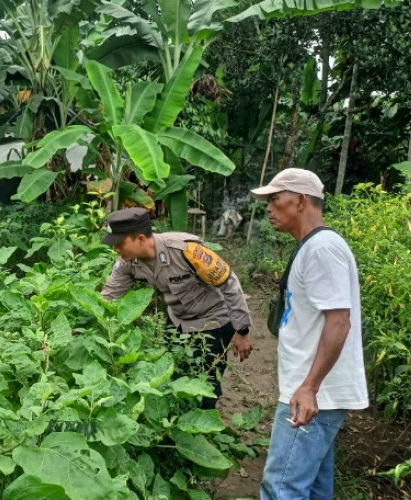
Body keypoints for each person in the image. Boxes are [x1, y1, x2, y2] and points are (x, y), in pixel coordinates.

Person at [251, 168, 368, 499]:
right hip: (314, 394)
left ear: (300, 201)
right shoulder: (314, 246)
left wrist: (309, 387)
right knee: (314, 488)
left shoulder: (322, 249)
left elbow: (339, 321)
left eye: (275, 200)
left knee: (282, 488)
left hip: (312, 395)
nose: (269, 209)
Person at [100, 207, 252, 409]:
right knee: (173, 376)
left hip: (213, 320)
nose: (116, 249)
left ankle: (203, 430)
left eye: (120, 243)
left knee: (205, 384)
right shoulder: (128, 262)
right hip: (178, 321)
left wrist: (241, 331)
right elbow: (108, 296)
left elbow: (229, 284)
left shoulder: (186, 250)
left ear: (141, 239)